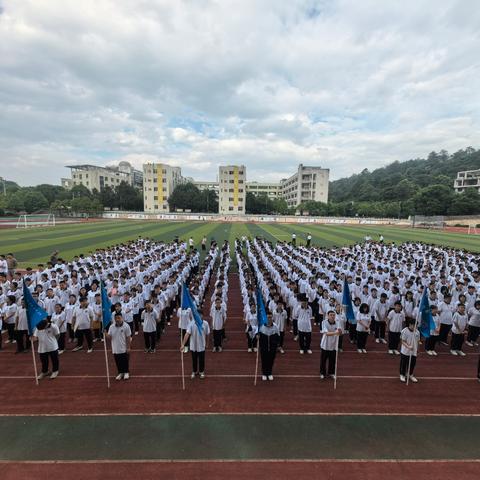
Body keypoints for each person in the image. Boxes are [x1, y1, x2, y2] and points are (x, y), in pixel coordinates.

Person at [107, 313, 132, 380]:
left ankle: (126, 372)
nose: (117, 319)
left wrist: (128, 347)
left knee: (124, 361)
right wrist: (105, 333)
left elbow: (128, 337)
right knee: (117, 361)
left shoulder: (126, 326)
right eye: (116, 318)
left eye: (119, 318)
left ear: (122, 318)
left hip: (123, 347)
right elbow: (109, 337)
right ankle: (120, 373)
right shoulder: (111, 327)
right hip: (115, 348)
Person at [320, 310, 342, 379]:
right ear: (328, 316)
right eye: (331, 315)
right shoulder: (324, 322)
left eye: (333, 315)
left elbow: (340, 333)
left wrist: (340, 332)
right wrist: (336, 333)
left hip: (333, 345)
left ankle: (331, 373)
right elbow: (326, 333)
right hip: (325, 345)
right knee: (323, 360)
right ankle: (322, 373)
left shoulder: (338, 323)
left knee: (332, 360)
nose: (332, 316)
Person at [258, 314, 280, 381]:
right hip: (264, 347)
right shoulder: (261, 327)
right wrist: (257, 336)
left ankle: (269, 373)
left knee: (271, 360)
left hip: (272, 348)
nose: (269, 319)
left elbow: (278, 336)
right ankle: (264, 373)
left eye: (270, 317)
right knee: (264, 360)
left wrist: (276, 345)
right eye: (268, 317)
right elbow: (258, 336)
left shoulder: (275, 326)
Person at [399, 318, 420, 383]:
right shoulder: (404, 331)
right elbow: (402, 341)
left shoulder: (417, 332)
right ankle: (402, 374)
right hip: (405, 351)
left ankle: (410, 374)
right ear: (410, 324)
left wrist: (417, 349)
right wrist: (408, 346)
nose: (415, 327)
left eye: (416, 325)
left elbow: (418, 341)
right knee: (404, 364)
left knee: (412, 364)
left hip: (413, 351)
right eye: (414, 325)